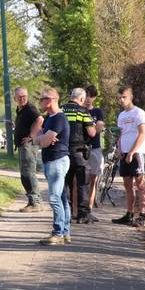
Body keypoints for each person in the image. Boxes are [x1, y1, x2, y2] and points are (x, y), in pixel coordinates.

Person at [34, 87, 71, 245]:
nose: (40, 102)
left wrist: (42, 138)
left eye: (42, 99)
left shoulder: (58, 118)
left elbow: (42, 141)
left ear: (50, 100)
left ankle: (58, 233)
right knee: (61, 198)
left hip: (57, 161)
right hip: (52, 161)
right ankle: (65, 232)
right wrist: (42, 138)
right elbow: (37, 137)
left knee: (54, 198)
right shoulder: (49, 118)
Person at [112, 86, 145, 227]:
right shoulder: (121, 115)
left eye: (124, 97)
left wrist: (132, 152)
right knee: (127, 185)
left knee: (140, 184)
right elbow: (120, 135)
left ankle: (142, 215)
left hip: (137, 153)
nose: (121, 100)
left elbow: (142, 134)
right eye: (119, 97)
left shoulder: (139, 113)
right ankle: (129, 214)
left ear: (131, 97)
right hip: (124, 153)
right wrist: (119, 150)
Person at [61, 88, 96, 223]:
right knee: (83, 184)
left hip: (63, 152)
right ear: (81, 99)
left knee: (66, 184)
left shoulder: (61, 110)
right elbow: (92, 132)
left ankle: (67, 214)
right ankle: (83, 215)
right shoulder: (83, 111)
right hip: (79, 152)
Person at [14, 86, 44, 212]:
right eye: (20, 97)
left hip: (29, 146)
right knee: (26, 173)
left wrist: (31, 136)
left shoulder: (30, 108)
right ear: (15, 98)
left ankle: (35, 203)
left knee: (27, 174)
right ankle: (36, 201)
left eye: (24, 96)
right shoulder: (21, 109)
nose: (22, 99)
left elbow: (40, 119)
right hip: (23, 146)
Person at [84, 85, 106, 216]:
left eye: (91, 96)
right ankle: (79, 209)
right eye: (86, 95)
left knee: (93, 180)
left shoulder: (98, 112)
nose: (88, 99)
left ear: (94, 97)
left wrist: (87, 127)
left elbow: (97, 129)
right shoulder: (79, 110)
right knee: (80, 181)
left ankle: (89, 209)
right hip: (81, 148)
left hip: (94, 148)